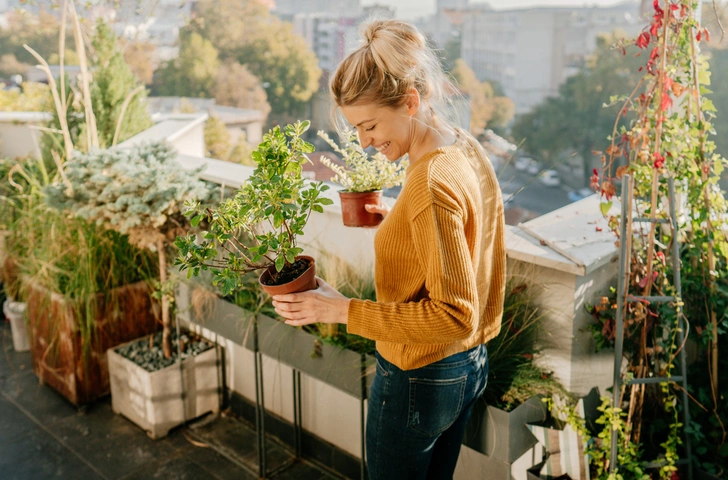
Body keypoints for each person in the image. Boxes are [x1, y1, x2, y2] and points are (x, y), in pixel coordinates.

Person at [272, 18, 506, 480]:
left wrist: (341, 310)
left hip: (422, 373)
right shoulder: (462, 147)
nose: (364, 141)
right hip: (468, 366)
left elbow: (455, 313)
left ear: (412, 101)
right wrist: (396, 219)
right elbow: (469, 235)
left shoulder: (430, 183)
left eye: (370, 124)